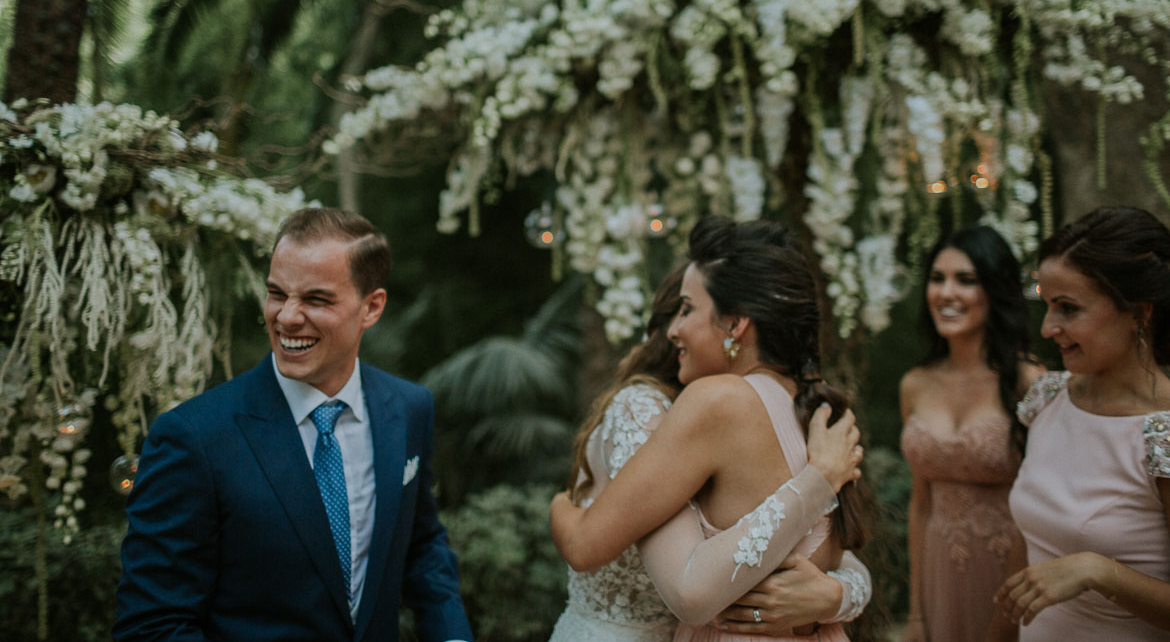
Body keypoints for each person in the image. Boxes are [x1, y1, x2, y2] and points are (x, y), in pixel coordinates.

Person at [113, 207, 472, 642]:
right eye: (277, 293)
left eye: (315, 299)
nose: (285, 317)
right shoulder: (193, 438)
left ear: (371, 307)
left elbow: (421, 544)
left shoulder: (410, 407)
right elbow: (151, 626)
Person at [550, 215, 869, 640]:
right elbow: (839, 554)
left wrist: (558, 506)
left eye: (687, 309)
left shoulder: (717, 401)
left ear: (735, 325)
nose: (673, 329)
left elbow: (676, 587)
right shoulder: (818, 408)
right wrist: (841, 595)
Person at [995, 205, 1170, 639]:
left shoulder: (1166, 434)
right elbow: (1027, 552)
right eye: (1047, 305)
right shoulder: (1048, 398)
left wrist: (1097, 570)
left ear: (1140, 313)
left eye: (1068, 309)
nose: (1048, 328)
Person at [899, 226, 1042, 642]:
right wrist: (916, 614)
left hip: (1010, 577)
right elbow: (920, 503)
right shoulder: (916, 383)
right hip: (938, 571)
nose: (946, 293)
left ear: (994, 290)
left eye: (966, 280)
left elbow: (1046, 502)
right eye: (937, 278)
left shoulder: (1028, 381)